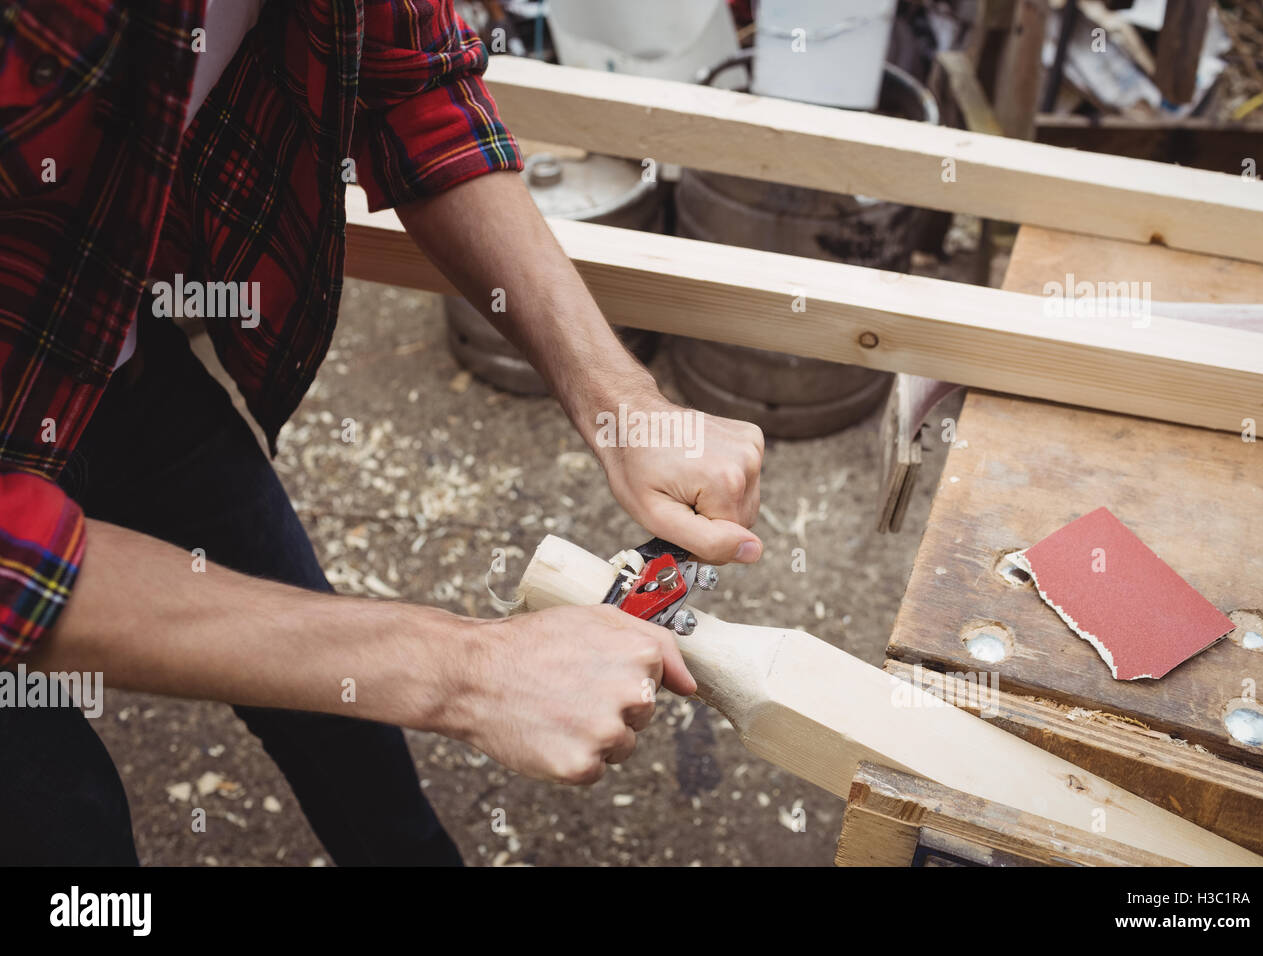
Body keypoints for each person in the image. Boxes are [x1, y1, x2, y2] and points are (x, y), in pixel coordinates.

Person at [0, 1, 764, 865]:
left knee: (338, 709)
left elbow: (414, 83)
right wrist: (462, 672)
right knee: (71, 830)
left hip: (95, 358)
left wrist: (620, 401)